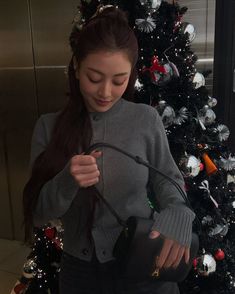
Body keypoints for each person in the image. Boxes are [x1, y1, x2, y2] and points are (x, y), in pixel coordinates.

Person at [23, 5, 195, 294]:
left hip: (143, 260)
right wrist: (67, 180)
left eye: (119, 81)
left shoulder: (144, 119)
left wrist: (178, 213)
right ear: (76, 68)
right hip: (81, 275)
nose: (105, 93)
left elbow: (167, 178)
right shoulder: (48, 127)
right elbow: (38, 214)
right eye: (94, 78)